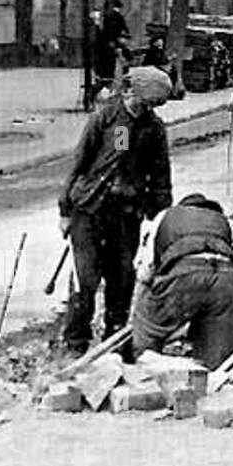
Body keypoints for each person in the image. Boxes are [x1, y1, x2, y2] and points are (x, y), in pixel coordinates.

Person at [58, 66, 173, 356]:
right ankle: (76, 342)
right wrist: (65, 211)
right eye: (142, 103)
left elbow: (161, 177)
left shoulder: (154, 129)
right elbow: (79, 164)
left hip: (125, 216)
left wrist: (160, 218)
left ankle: (115, 339)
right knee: (86, 279)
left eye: (150, 106)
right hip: (89, 211)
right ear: (130, 92)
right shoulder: (105, 119)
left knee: (121, 278)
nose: (144, 109)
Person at [131, 193, 233, 369]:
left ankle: (141, 371)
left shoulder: (165, 216)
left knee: (147, 331)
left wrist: (144, 311)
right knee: (221, 355)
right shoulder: (227, 222)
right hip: (224, 279)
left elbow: (145, 271)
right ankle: (213, 373)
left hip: (184, 275)